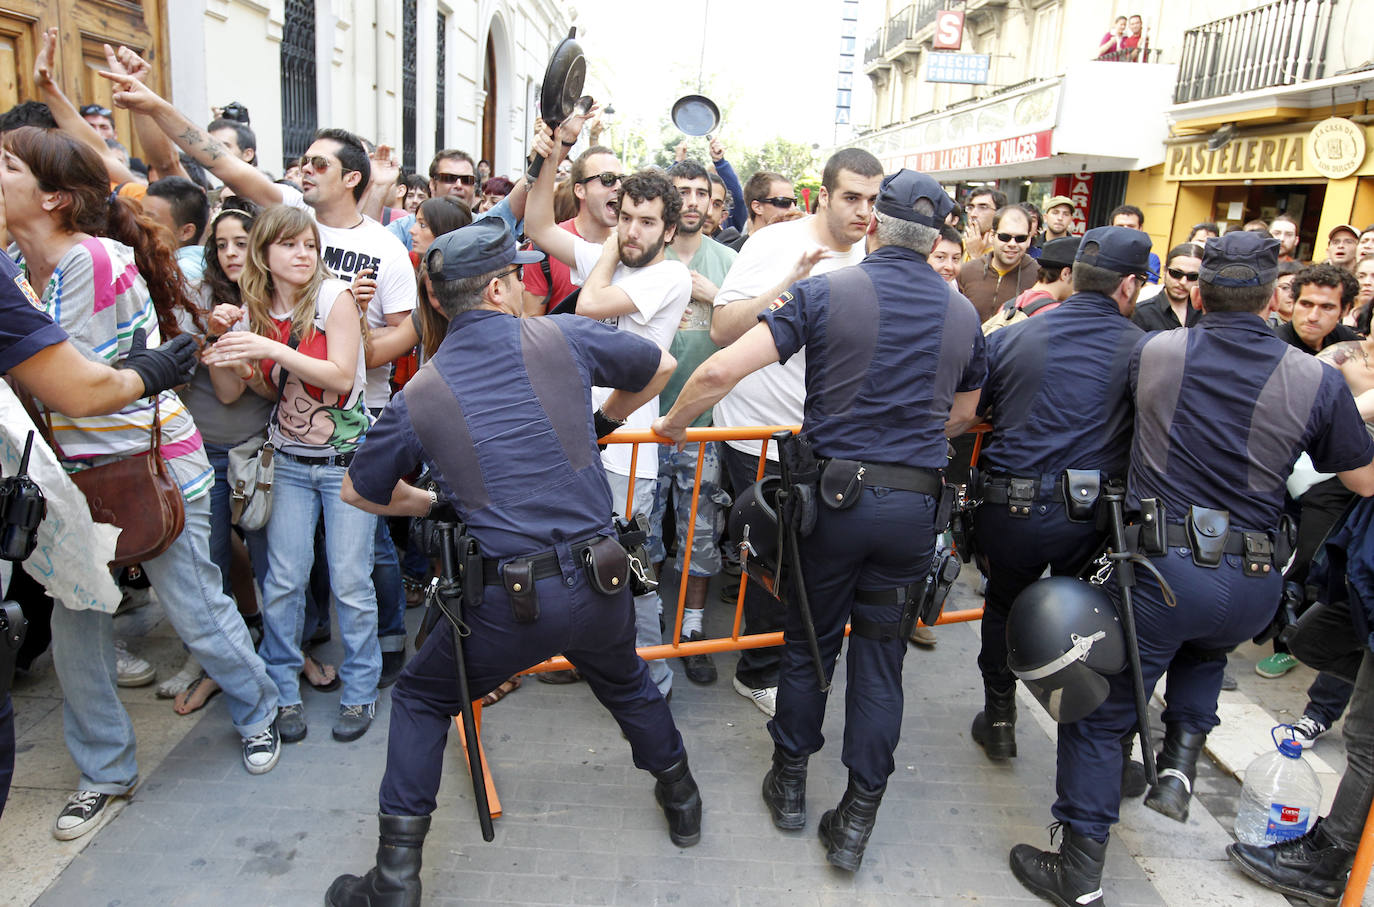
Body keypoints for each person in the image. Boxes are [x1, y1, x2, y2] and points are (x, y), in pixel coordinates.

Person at [326, 220, 698, 905]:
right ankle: (682, 795)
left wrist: (431, 504)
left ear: (438, 301)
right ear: (499, 288)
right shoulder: (561, 334)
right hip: (602, 576)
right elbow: (664, 367)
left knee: (420, 697)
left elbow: (358, 488)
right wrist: (606, 423)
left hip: (508, 603)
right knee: (624, 680)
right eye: (520, 276)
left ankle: (397, 882)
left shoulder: (421, 393)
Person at [1009, 230, 1374, 907]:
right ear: (1274, 297)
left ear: (1200, 291)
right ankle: (1176, 758)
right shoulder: (1315, 378)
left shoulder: (1157, 351)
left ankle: (1080, 870)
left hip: (1163, 572)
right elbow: (1362, 477)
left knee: (1101, 710)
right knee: (1206, 646)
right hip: (1256, 583)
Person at [655, 168, 984, 873]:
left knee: (809, 644)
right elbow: (965, 411)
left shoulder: (828, 291)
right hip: (913, 508)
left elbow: (717, 370)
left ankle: (792, 786)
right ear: (935, 234)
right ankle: (858, 815)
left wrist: (674, 425)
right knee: (881, 661)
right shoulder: (962, 312)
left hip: (834, 501)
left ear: (877, 221)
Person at [2, 126, 283, 840]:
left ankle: (260, 706)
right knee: (77, 628)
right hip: (69, 478)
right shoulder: (13, 263)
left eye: (7, 164)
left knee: (195, 607)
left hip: (150, 466)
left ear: (54, 196)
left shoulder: (90, 260)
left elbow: (76, 388)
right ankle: (105, 770)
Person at [709, 147, 884, 717]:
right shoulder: (772, 244)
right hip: (758, 433)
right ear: (823, 196)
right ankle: (758, 671)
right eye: (852, 197)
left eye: (873, 200)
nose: (863, 212)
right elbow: (722, 330)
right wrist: (791, 287)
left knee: (813, 563)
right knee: (771, 559)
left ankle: (794, 663)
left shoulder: (875, 255)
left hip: (833, 438)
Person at [201, 204, 382, 744]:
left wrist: (268, 346)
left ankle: (360, 689)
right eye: (290, 245)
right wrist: (226, 350)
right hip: (290, 460)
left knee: (350, 582)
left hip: (347, 460)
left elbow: (340, 376)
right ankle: (282, 688)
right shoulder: (254, 308)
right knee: (282, 581)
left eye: (308, 244)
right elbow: (247, 391)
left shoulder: (336, 297)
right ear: (265, 254)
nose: (303, 254)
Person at [526, 117, 691, 699]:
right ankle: (591, 657)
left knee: (630, 568)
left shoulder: (671, 275)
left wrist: (607, 251)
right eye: (625, 217)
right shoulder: (607, 254)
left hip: (629, 448)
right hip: (579, 438)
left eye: (646, 222)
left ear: (668, 231)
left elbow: (592, 304)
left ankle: (652, 676)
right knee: (578, 560)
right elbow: (538, 224)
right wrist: (553, 158)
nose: (631, 232)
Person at [970, 226, 1148, 765]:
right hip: (1091, 519)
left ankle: (1000, 718)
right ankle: (1082, 735)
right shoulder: (1146, 351)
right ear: (1130, 286)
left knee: (1002, 605)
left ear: (1073, 277)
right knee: (1090, 617)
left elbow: (972, 413)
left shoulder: (1010, 336)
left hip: (1011, 508)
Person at [652, 160, 738, 684]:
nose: (689, 200)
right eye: (679, 191)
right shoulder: (643, 254)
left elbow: (749, 331)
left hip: (704, 425)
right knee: (639, 529)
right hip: (641, 424)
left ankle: (693, 629)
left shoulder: (729, 261)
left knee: (699, 530)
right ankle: (644, 621)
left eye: (699, 192)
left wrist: (715, 297)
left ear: (712, 203)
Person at [522, 144, 622, 315]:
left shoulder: (632, 247)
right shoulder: (544, 250)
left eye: (622, 179)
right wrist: (546, 157)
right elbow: (531, 324)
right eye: (607, 179)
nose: (618, 186)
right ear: (580, 190)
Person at [957, 205, 1039, 323]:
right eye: (1004, 237)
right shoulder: (966, 272)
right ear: (992, 236)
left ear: (1029, 240)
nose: (1012, 244)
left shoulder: (1039, 277)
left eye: (1020, 238)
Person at [1277, 263, 1360, 355]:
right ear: (1294, 303)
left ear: (1345, 310)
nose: (1313, 317)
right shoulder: (1274, 347)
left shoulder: (1341, 335)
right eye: (1306, 304)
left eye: (1326, 308)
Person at [143, 175, 209, 282]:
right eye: (138, 215)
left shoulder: (182, 274)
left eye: (149, 220)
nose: (140, 224)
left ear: (186, 232)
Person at [1131, 242, 1203, 332]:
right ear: (1164, 271)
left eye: (1192, 276)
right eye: (1176, 273)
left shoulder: (1205, 313)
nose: (1183, 282)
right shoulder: (1141, 313)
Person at [1108, 204, 1161, 283]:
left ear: (1140, 228)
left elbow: (1149, 288)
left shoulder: (1150, 259)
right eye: (1120, 226)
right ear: (1111, 227)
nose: (1125, 230)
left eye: (1131, 226)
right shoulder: (1099, 254)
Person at [962, 187, 1006, 261]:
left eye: (983, 207)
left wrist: (975, 256)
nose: (973, 214)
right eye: (970, 207)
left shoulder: (1005, 252)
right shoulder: (958, 246)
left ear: (999, 213)